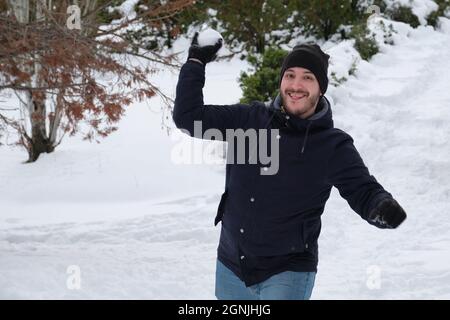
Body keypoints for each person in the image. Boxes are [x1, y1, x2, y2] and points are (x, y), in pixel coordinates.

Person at [173, 33, 407, 300]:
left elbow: (363, 190)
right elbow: (189, 118)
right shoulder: (249, 120)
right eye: (290, 75)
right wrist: (195, 62)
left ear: (321, 88)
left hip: (288, 271)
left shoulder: (332, 145)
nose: (296, 85)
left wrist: (381, 206)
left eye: (308, 77)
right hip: (230, 265)